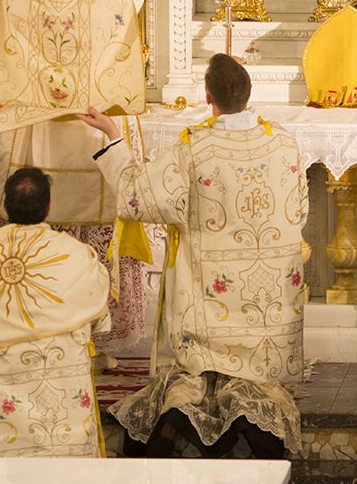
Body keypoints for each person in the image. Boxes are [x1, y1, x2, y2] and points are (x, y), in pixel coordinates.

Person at [80, 53, 309, 457]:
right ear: (249, 93)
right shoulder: (284, 143)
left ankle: (183, 423)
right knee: (252, 385)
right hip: (267, 311)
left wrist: (114, 138)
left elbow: (139, 196)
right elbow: (300, 211)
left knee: (191, 381)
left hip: (211, 306)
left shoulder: (194, 149)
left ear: (208, 96)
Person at [0, 0, 152, 355]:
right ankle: (96, 338)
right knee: (94, 239)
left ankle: (34, 325)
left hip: (37, 145)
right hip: (95, 141)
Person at [0, 167, 111, 456]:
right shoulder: (77, 253)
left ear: (4, 206)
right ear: (49, 207)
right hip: (63, 380)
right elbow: (100, 317)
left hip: (2, 381)